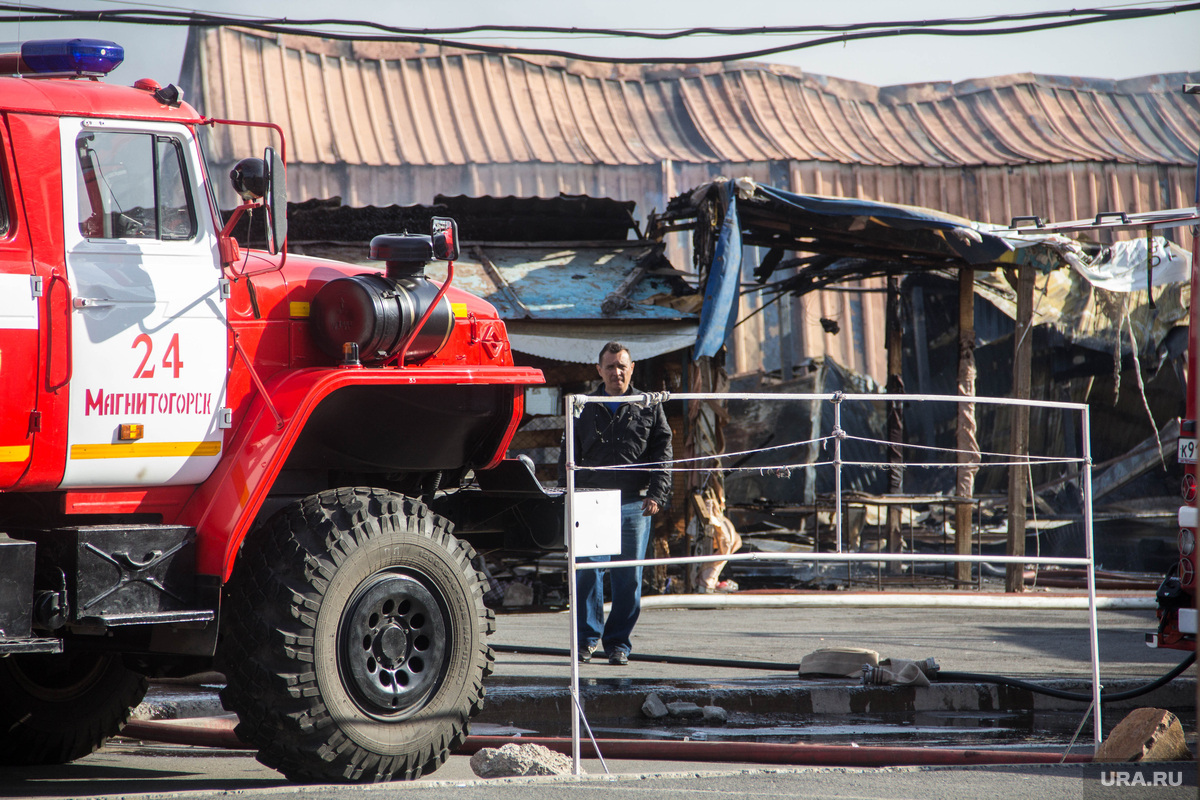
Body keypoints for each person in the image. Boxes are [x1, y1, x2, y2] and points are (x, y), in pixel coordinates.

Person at [561, 341, 672, 666]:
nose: (616, 372)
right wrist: (568, 494)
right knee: (588, 574)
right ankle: (586, 641)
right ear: (599, 370)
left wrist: (657, 493)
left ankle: (618, 643)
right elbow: (568, 454)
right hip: (591, 502)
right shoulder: (582, 406)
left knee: (629, 578)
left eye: (622, 365)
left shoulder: (648, 405)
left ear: (632, 368)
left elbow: (663, 452)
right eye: (610, 366)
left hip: (634, 505)